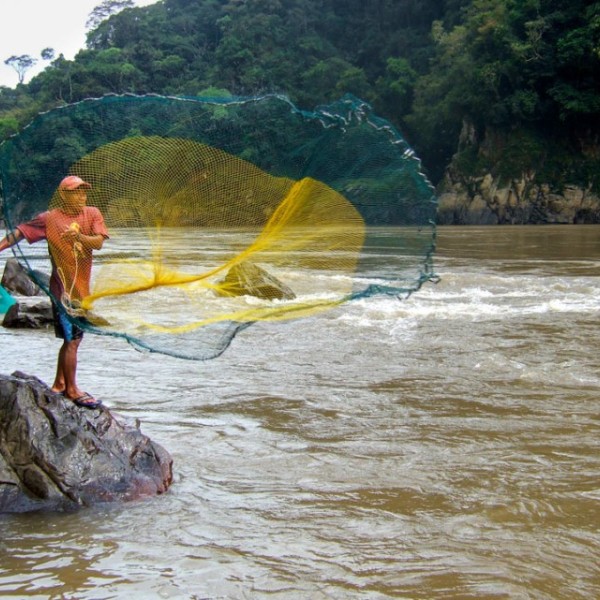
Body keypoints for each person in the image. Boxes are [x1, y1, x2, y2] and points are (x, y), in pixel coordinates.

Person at [0, 175, 109, 408]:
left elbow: (98, 242)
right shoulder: (49, 219)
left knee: (74, 340)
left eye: (83, 192)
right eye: (75, 192)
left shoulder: (92, 214)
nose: (81, 196)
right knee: (71, 340)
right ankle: (71, 390)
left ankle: (60, 383)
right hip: (62, 292)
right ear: (63, 195)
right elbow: (18, 233)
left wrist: (78, 237)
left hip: (81, 292)